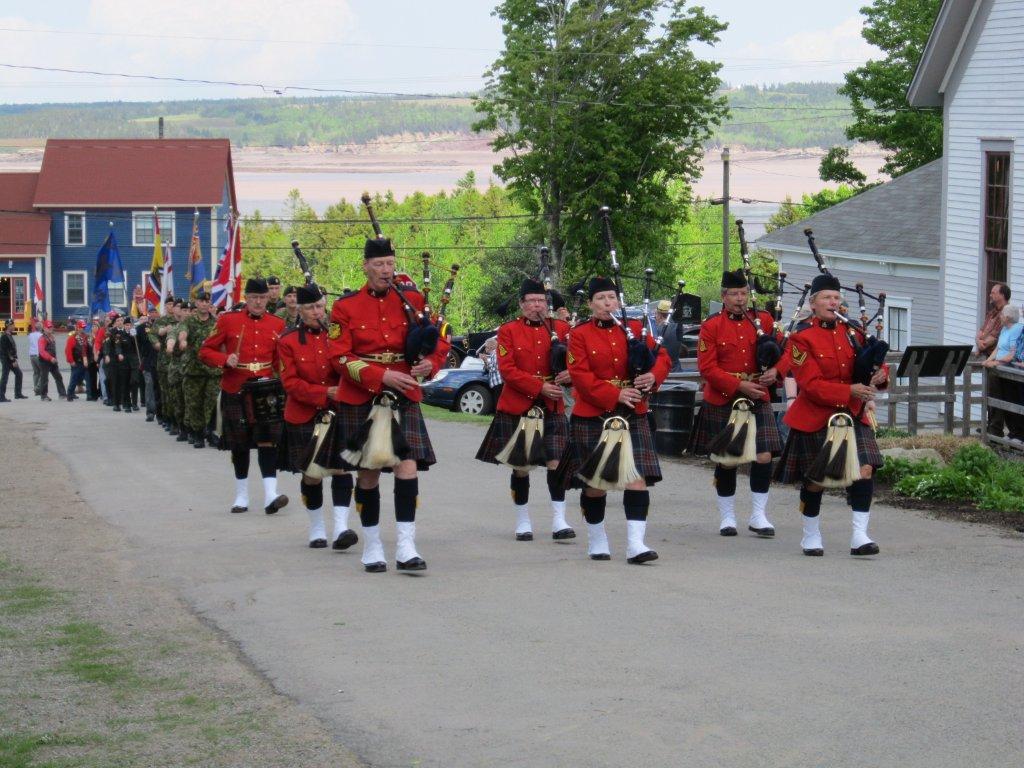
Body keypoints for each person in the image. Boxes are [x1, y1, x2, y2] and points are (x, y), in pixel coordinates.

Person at [328, 237, 450, 573]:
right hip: (363, 394)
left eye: (390, 263)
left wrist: (431, 364)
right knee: (368, 473)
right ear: (365, 266)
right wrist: (380, 376)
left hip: (404, 393)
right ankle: (372, 545)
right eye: (379, 264)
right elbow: (339, 356)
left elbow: (438, 340)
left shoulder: (412, 300)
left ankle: (407, 545)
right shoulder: (345, 307)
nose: (386, 270)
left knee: (406, 466)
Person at [774, 273, 890, 558]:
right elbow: (811, 386)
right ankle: (810, 534)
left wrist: (878, 376)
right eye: (826, 298)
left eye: (836, 298)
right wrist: (850, 390)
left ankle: (859, 536)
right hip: (816, 416)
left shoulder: (854, 334)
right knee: (816, 479)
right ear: (813, 303)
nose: (832, 302)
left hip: (853, 414)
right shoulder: (801, 340)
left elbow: (879, 367)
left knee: (865, 469)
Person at [560, 276, 671, 564]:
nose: (607, 303)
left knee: (637, 479)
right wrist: (615, 394)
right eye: (600, 298)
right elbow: (581, 377)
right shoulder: (580, 335)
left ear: (617, 301)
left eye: (611, 297)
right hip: (594, 414)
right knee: (597, 484)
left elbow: (663, 358)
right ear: (590, 304)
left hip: (633, 412)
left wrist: (653, 376)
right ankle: (597, 539)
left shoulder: (635, 329)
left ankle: (636, 545)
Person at [475, 279, 574, 542]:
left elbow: (577, 361)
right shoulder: (508, 331)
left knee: (556, 462)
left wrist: (569, 375)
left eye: (540, 301)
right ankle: (522, 521)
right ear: (521, 305)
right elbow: (507, 370)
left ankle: (559, 520)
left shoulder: (562, 328)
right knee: (522, 467)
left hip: (553, 406)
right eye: (530, 301)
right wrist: (540, 387)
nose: (536, 306)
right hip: (520, 405)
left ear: (546, 303)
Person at [200, 278, 289, 515]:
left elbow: (283, 360)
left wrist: (286, 385)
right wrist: (224, 359)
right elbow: (205, 350)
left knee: (267, 440)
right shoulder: (228, 321)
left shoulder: (277, 324)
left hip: (266, 389)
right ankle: (241, 495)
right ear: (246, 299)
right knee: (239, 443)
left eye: (262, 298)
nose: (258, 302)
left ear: (268, 299)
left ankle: (271, 494)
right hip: (235, 386)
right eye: (253, 298)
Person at [279, 284, 358, 550]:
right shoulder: (287, 341)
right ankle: (316, 528)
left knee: (342, 469)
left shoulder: (337, 336)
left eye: (320, 306)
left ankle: (341, 528)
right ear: (299, 310)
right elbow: (290, 383)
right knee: (312, 475)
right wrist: (326, 392)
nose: (317, 312)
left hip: (338, 412)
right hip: (304, 415)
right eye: (311, 307)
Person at [181, 291, 222, 447]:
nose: (205, 303)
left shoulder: (217, 322)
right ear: (196, 303)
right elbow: (182, 333)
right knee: (195, 403)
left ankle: (211, 432)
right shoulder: (189, 321)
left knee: (212, 402)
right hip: (194, 370)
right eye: (201, 301)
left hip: (213, 370)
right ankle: (197, 434)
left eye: (207, 301)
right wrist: (183, 340)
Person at [981, 303, 1024, 440]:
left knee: (1015, 399)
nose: (1000, 316)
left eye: (1002, 314)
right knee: (1006, 398)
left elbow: (1012, 354)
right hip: (1003, 369)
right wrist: (989, 360)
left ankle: (1018, 433)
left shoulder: (1017, 329)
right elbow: (998, 348)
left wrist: (996, 362)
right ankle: (1013, 432)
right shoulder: (1005, 329)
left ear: (1008, 317)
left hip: (1012, 369)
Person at [37, 320, 66, 401]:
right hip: (44, 362)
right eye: (49, 327)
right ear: (44, 328)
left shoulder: (52, 337)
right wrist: (50, 358)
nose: (50, 329)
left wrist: (54, 359)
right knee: (44, 378)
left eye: (51, 327)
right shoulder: (42, 339)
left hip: (53, 361)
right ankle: (43, 395)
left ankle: (62, 394)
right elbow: (42, 351)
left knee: (58, 377)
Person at [0, 319, 26, 401]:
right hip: (6, 360)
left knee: (19, 374)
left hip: (11, 359)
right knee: (5, 377)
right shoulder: (4, 336)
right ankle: (1, 396)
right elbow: (6, 350)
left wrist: (14, 358)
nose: (14, 326)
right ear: (8, 326)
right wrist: (12, 360)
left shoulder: (9, 335)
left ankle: (18, 394)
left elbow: (12, 349)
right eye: (12, 325)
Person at [64, 321, 89, 401]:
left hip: (83, 361)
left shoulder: (85, 337)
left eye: (84, 327)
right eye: (82, 327)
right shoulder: (72, 338)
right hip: (76, 361)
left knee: (84, 378)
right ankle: (69, 394)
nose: (83, 329)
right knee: (74, 378)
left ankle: (89, 394)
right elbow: (68, 351)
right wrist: (71, 361)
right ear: (78, 327)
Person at [27, 318, 42, 396]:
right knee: (42, 372)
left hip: (31, 355)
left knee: (36, 373)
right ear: (40, 328)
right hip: (38, 355)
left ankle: (36, 389)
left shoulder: (30, 335)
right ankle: (38, 387)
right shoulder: (41, 335)